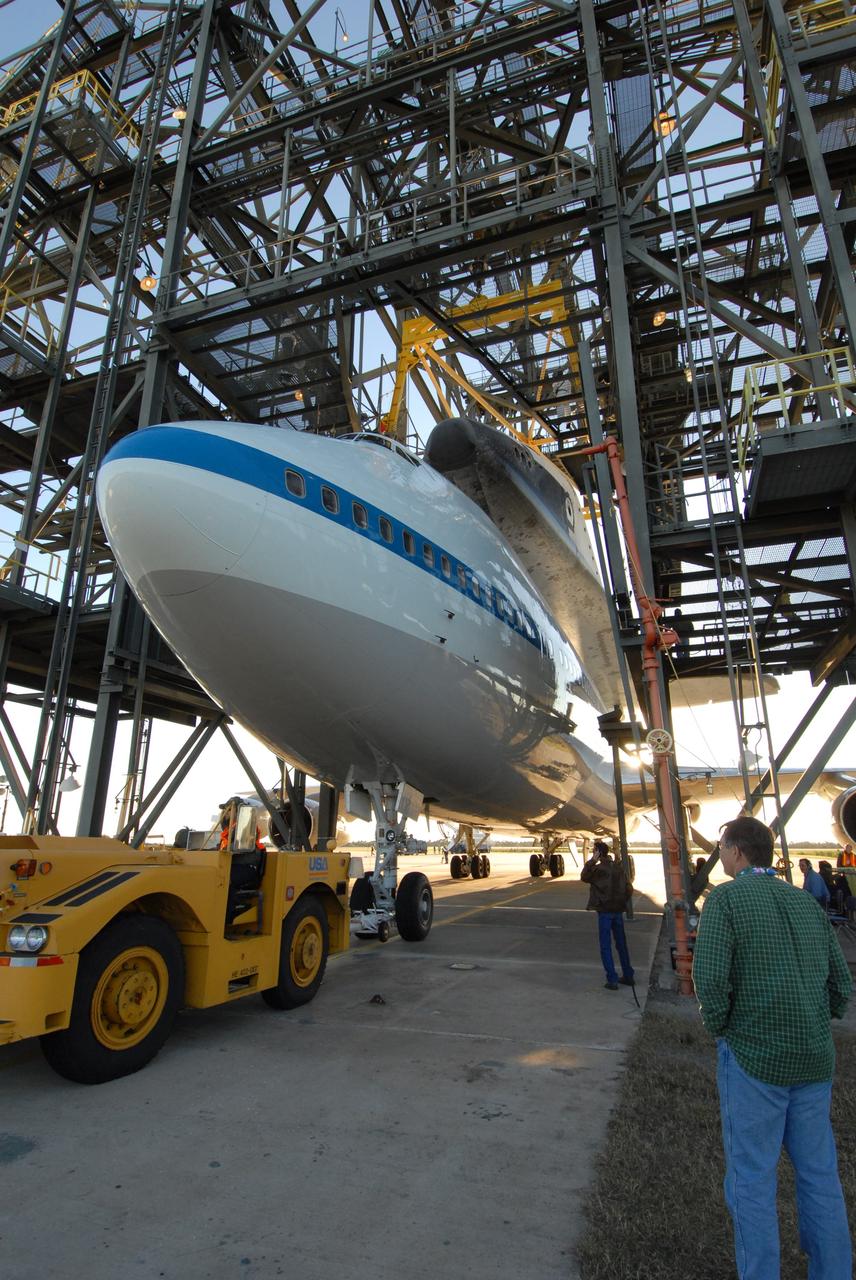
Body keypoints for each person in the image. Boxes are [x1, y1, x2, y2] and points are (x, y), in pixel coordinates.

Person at [693, 815, 852, 1280]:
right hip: (814, 1058)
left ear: (737, 852)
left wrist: (722, 1028)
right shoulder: (804, 902)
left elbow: (710, 979)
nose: (721, 855)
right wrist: (813, 1020)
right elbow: (842, 987)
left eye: (722, 848)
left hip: (754, 1059)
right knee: (819, 1175)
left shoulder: (725, 899)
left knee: (752, 1180)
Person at [580, 839, 634, 990]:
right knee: (621, 944)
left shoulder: (598, 870)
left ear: (597, 852)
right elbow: (629, 888)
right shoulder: (619, 868)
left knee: (605, 946)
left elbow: (584, 877)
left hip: (605, 911)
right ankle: (628, 975)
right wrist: (621, 901)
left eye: (594, 851)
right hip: (618, 911)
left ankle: (612, 979)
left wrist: (592, 861)